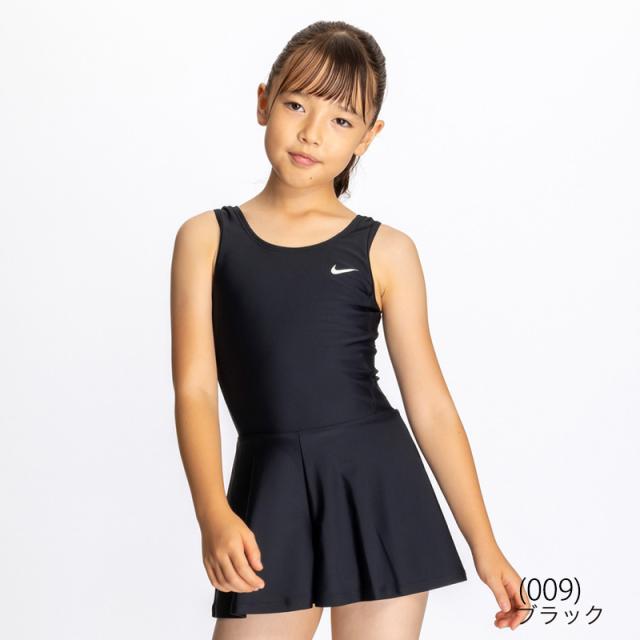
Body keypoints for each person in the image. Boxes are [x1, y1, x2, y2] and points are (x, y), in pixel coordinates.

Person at [171, 20, 530, 640]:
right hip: (269, 491)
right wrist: (212, 512)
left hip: (379, 489)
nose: (312, 132)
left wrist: (486, 545)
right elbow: (195, 389)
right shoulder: (206, 238)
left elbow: (431, 405)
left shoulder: (387, 250)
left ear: (369, 136)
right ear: (263, 102)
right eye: (296, 104)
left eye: (341, 119)